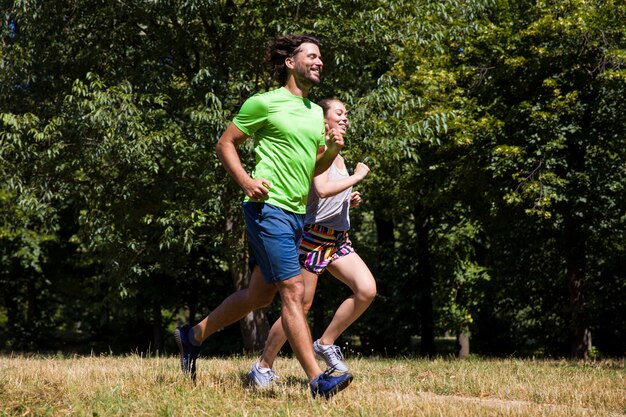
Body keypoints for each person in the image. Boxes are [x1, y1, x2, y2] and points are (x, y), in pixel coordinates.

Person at [174, 34, 353, 399]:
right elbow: (226, 143)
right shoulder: (265, 103)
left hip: (296, 213)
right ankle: (318, 380)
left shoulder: (313, 113)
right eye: (312, 56)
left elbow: (312, 169)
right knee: (293, 290)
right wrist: (245, 181)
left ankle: (192, 336)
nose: (319, 62)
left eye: (321, 58)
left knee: (258, 295)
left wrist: (331, 149)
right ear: (291, 62)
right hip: (266, 208)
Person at [247, 98, 376, 388]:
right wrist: (357, 177)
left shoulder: (339, 154)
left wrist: (349, 200)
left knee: (366, 290)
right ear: (324, 121)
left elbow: (329, 195)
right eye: (339, 114)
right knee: (299, 307)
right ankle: (263, 366)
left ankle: (326, 342)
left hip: (338, 238)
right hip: (313, 238)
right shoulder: (319, 150)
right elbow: (320, 188)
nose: (345, 118)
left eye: (346, 114)